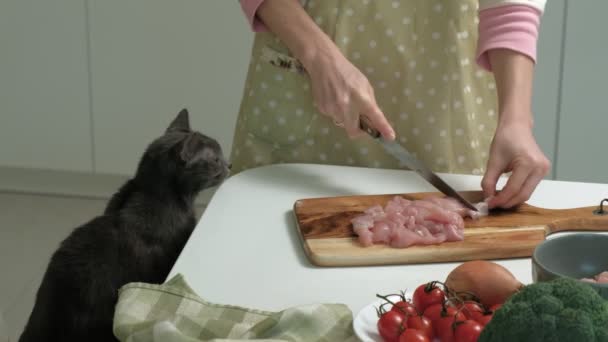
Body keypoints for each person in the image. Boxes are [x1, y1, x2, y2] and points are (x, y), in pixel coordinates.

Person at [230, 0, 551, 209]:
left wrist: (516, 119)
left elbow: (512, 8)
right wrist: (317, 56)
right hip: (306, 70)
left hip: (443, 99)